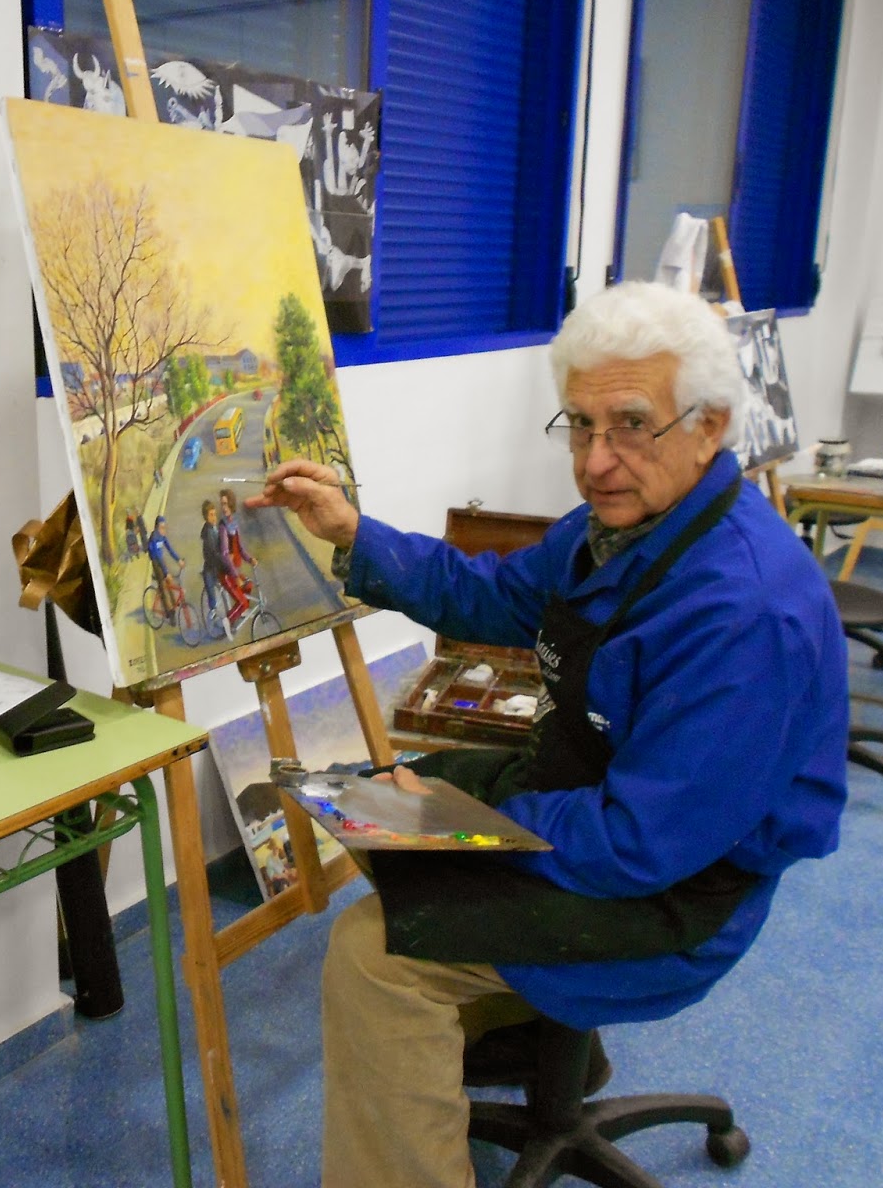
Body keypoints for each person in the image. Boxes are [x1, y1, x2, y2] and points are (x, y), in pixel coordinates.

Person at [247, 280, 849, 1188]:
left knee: (375, 956)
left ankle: (500, 1030)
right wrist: (352, 534)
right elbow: (494, 596)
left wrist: (455, 828)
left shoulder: (745, 613)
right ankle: (543, 1039)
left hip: (680, 891)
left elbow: (640, 843)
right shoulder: (621, 527)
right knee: (375, 803)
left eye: (632, 425)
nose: (597, 462)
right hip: (598, 798)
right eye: (580, 425)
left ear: (711, 427)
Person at [198, 498, 241, 634]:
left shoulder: (214, 528)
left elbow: (222, 546)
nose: (214, 517)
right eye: (211, 515)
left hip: (218, 566)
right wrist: (225, 559)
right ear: (206, 517)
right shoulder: (208, 533)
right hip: (211, 569)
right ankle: (214, 617)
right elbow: (214, 554)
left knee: (229, 590)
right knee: (213, 599)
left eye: (215, 514)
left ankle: (232, 617)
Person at [216, 488, 258, 622]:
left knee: (248, 585)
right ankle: (226, 623)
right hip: (227, 574)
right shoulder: (223, 526)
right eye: (222, 504)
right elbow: (224, 553)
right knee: (242, 602)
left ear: (231, 503)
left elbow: (240, 548)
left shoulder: (234, 523)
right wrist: (235, 576)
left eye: (226, 504)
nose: (224, 507)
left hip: (234, 571)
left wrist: (250, 559)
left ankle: (240, 612)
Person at [146, 515, 185, 621]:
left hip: (161, 560)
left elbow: (170, 550)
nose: (164, 530)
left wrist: (178, 560)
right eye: (161, 528)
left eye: (165, 527)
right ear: (156, 528)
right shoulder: (154, 538)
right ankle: (169, 612)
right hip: (156, 562)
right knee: (163, 586)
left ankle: (173, 604)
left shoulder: (163, 537)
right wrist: (166, 572)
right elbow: (157, 556)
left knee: (170, 582)